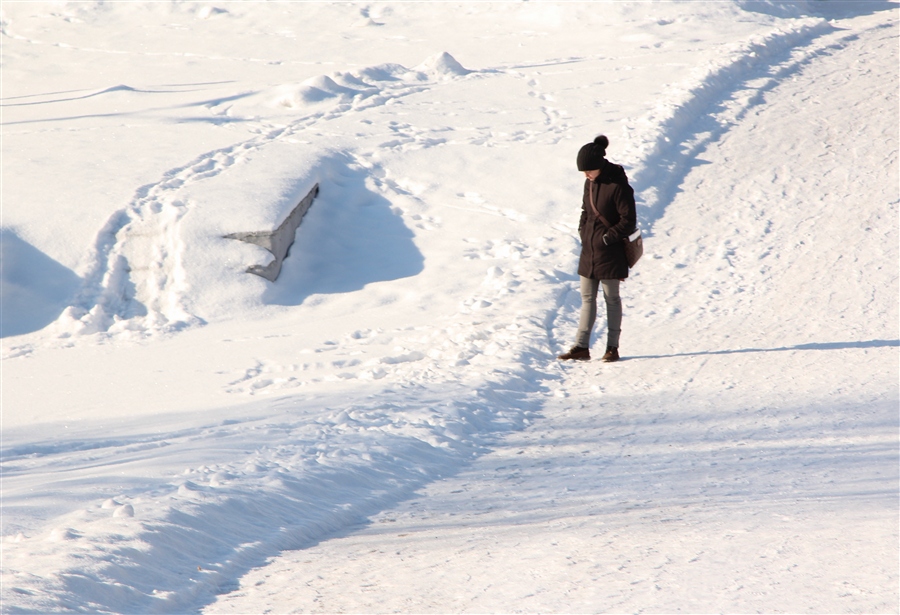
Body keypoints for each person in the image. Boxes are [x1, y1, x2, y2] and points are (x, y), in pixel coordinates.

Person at [558, 135, 636, 362]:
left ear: (600, 166)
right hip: (589, 251)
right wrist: (584, 232)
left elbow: (628, 220)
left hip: (610, 253)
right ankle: (581, 347)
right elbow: (586, 211)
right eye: (584, 172)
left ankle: (612, 347)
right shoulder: (589, 183)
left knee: (611, 299)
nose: (586, 175)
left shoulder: (619, 186)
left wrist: (606, 239)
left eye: (589, 171)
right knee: (587, 298)